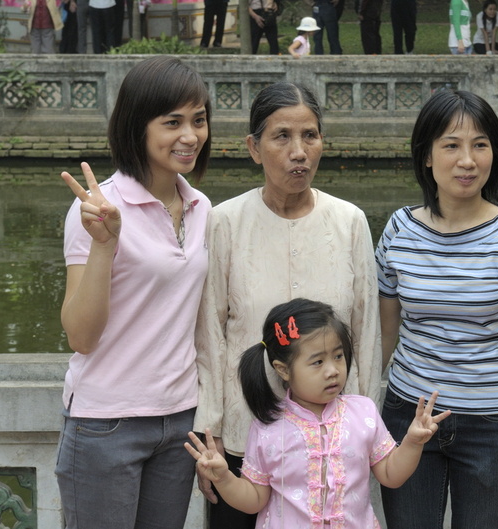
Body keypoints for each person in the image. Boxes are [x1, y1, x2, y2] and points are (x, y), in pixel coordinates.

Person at [194, 81, 383, 529]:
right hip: (243, 438)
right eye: (282, 137)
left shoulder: (349, 222)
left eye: (310, 136)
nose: (299, 151)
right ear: (254, 148)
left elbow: (367, 333)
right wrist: (211, 430)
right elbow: (210, 335)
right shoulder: (225, 221)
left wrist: (365, 430)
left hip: (332, 444)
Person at [376, 89, 498, 528]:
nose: (467, 160)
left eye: (480, 145)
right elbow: (382, 337)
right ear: (426, 155)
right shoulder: (399, 229)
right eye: (451, 145)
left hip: (495, 425)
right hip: (409, 415)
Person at [54, 56, 213, 529]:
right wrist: (105, 246)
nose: (190, 135)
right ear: (136, 126)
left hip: (180, 420)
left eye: (199, 120)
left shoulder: (202, 207)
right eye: (172, 122)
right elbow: (80, 337)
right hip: (107, 423)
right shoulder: (97, 209)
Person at [185, 298, 450, 527]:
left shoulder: (363, 412)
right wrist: (223, 478)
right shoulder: (268, 427)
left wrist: (413, 442)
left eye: (338, 356)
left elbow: (391, 475)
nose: (333, 370)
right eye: (318, 362)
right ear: (283, 369)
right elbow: (255, 498)